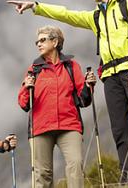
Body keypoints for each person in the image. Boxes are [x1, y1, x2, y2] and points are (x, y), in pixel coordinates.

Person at [7, 0, 128, 183]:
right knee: (120, 128)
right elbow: (67, 14)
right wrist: (35, 6)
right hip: (111, 77)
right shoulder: (96, 16)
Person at [18, 25, 96, 188]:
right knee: (43, 174)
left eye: (42, 40)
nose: (38, 44)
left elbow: (83, 101)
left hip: (69, 125)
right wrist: (27, 87)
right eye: (37, 42)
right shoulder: (34, 70)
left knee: (75, 165)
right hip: (41, 128)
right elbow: (24, 104)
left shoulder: (71, 66)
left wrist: (89, 86)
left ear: (55, 42)